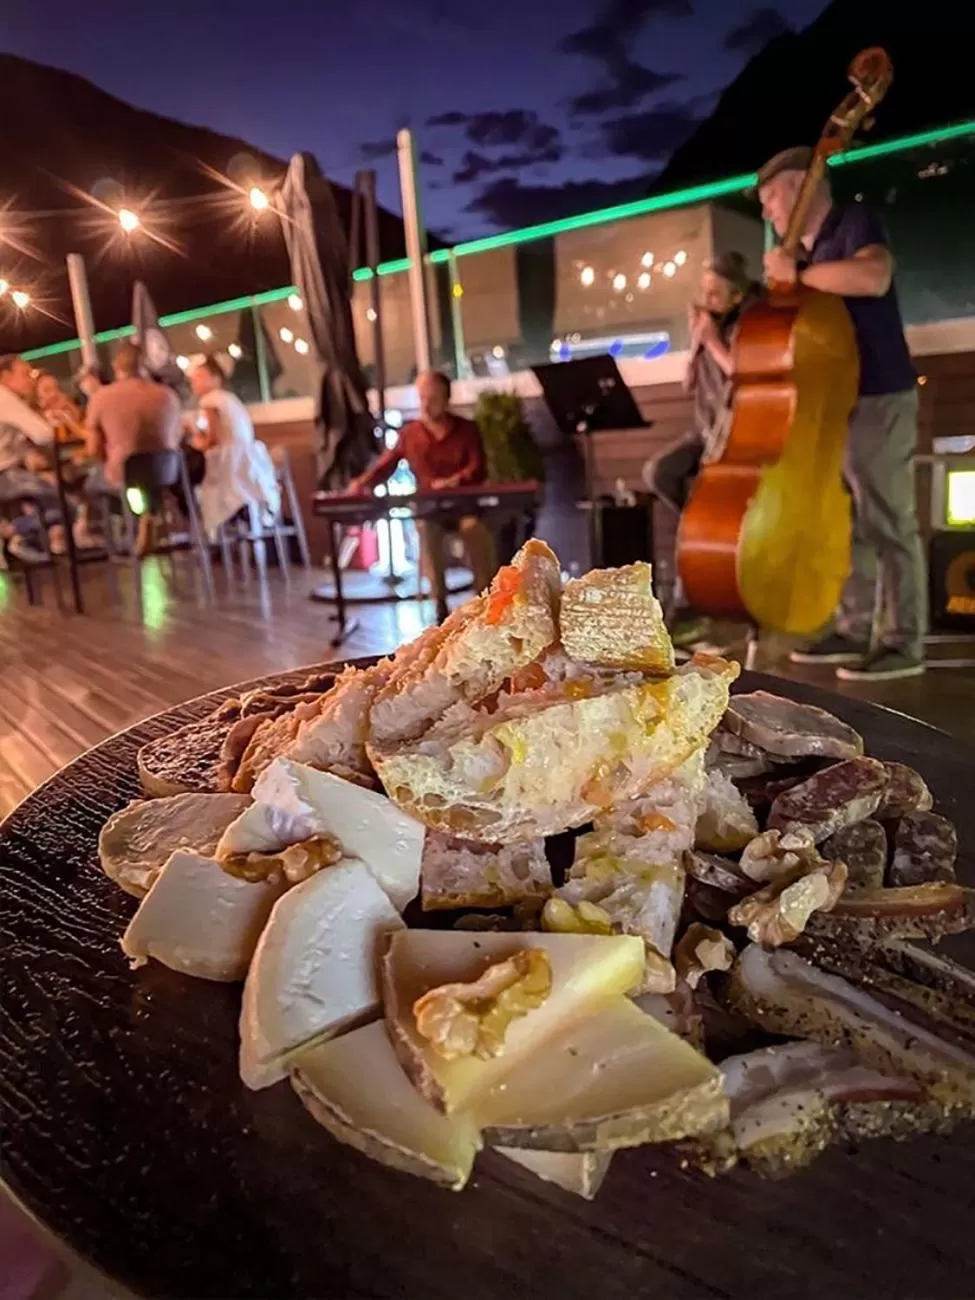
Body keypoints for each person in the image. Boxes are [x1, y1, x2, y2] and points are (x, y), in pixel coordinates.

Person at [758, 146, 924, 682]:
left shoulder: (854, 221)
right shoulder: (815, 253)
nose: (769, 212)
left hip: (880, 393)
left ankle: (903, 640)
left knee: (888, 521)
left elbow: (873, 277)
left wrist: (798, 274)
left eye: (774, 196)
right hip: (837, 404)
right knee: (850, 522)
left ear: (806, 184)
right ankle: (854, 628)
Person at [642, 252, 759, 646]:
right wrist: (696, 345)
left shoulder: (747, 327)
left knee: (695, 520)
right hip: (703, 434)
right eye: (704, 290)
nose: (706, 299)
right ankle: (700, 515)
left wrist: (713, 340)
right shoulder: (707, 330)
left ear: (736, 296)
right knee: (658, 472)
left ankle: (689, 603)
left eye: (715, 292)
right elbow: (688, 384)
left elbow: (746, 373)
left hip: (736, 436)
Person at [348, 369, 497, 604]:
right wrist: (362, 483)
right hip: (429, 509)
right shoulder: (410, 434)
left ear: (446, 400)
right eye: (422, 398)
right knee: (427, 533)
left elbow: (478, 468)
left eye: (433, 399)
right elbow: (386, 466)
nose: (426, 405)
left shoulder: (468, 429)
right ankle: (439, 605)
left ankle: (485, 601)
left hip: (464, 507)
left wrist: (454, 481)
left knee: (475, 530)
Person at [85, 341, 182, 555]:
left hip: (124, 473)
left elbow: (92, 450)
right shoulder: (167, 395)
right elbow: (177, 436)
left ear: (115, 366)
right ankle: (151, 514)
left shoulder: (101, 397)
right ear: (145, 365)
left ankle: (94, 535)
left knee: (89, 483)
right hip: (168, 470)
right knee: (145, 480)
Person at [187, 356, 280, 535]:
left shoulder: (210, 401)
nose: (195, 383)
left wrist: (195, 438)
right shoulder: (231, 399)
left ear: (216, 379)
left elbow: (212, 439)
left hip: (228, 461)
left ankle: (206, 532)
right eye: (193, 379)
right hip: (251, 461)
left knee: (188, 477)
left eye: (200, 377)